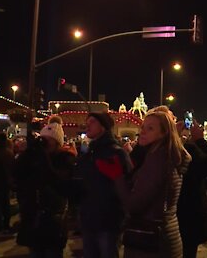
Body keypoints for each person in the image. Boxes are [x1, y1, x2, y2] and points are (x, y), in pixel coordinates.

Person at [115, 109, 191, 258]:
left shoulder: (158, 160)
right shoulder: (163, 156)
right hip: (164, 236)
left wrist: (117, 176)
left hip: (150, 242)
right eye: (143, 127)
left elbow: (134, 204)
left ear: (163, 133)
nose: (142, 132)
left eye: (150, 128)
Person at [14, 120, 76, 257]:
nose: (45, 143)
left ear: (57, 142)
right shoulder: (34, 157)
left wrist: (43, 157)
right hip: (33, 217)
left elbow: (57, 180)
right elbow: (17, 173)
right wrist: (28, 152)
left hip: (54, 220)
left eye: (49, 140)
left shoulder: (65, 158)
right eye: (43, 139)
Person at [76, 112, 133, 258]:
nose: (87, 124)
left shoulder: (116, 152)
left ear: (103, 127)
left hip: (108, 220)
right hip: (89, 217)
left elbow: (127, 183)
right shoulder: (90, 152)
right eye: (87, 121)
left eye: (93, 121)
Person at [176, 120, 207, 258]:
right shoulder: (189, 151)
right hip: (188, 214)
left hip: (173, 216)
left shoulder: (158, 149)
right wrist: (200, 140)